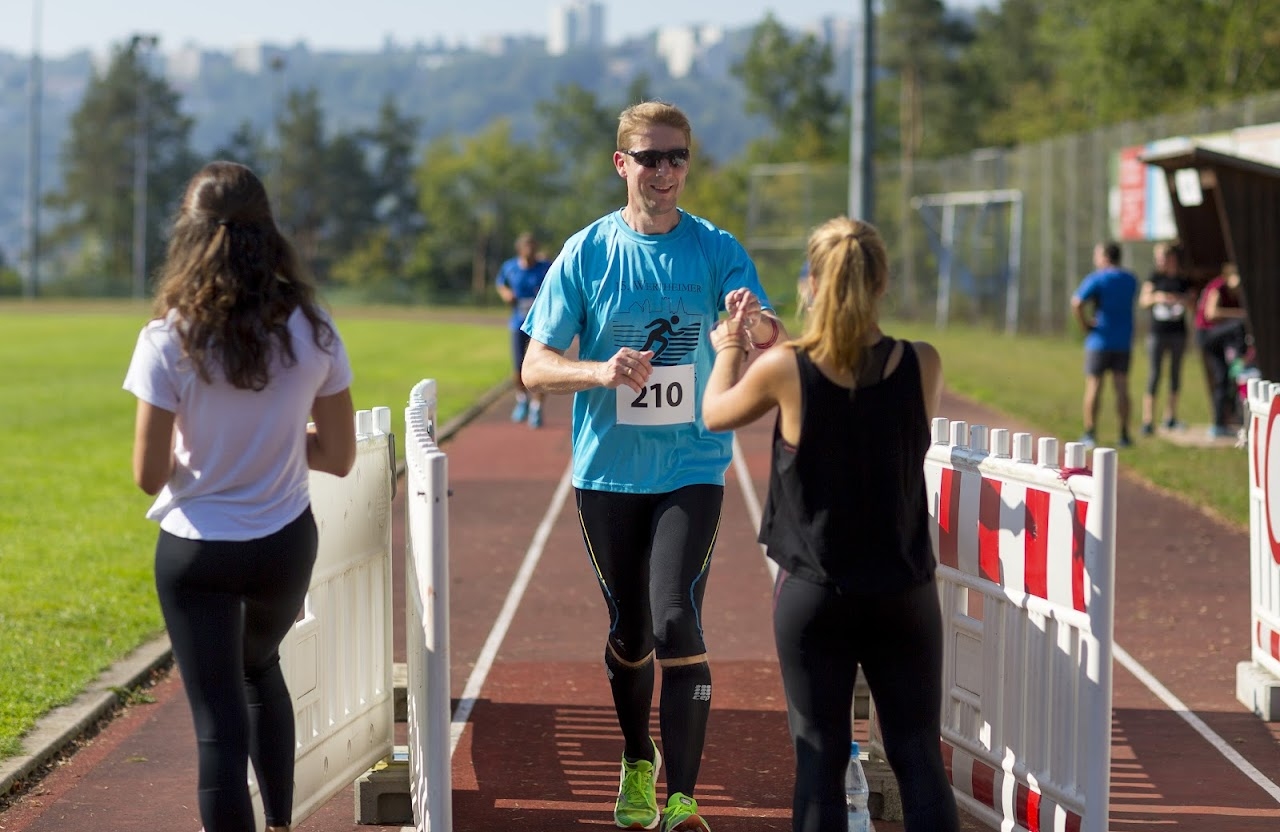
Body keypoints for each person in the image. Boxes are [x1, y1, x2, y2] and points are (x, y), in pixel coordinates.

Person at [520, 100, 785, 832]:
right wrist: (600, 371)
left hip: (692, 466)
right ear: (621, 164)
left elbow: (771, 335)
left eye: (676, 158)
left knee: (675, 618)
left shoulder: (716, 249)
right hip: (606, 473)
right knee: (630, 630)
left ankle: (683, 801)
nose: (664, 172)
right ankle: (639, 758)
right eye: (649, 157)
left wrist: (752, 321)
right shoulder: (587, 252)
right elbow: (535, 369)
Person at [700, 215, 958, 832]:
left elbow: (714, 414)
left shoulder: (787, 367)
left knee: (818, 758)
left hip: (817, 591)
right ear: (882, 284)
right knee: (918, 754)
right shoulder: (920, 362)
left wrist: (732, 347)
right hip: (903, 589)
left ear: (811, 283)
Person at [123, 161, 356, 832]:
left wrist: (208, 455)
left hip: (198, 555)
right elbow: (338, 456)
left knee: (216, 727)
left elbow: (146, 471)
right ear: (268, 232)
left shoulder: (167, 338)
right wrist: (279, 442)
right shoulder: (314, 329)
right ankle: (282, 825)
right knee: (261, 669)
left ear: (189, 235)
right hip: (283, 547)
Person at [1071, 241, 1138, 449]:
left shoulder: (1097, 278)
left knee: (1094, 386)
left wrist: (1084, 325)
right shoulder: (1130, 279)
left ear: (1105, 257)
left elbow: (1077, 302)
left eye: (1097, 254)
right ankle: (1124, 434)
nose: (1095, 258)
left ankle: (1090, 433)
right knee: (1121, 387)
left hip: (1099, 340)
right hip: (1123, 341)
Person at [495, 231, 552, 428]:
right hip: (518, 324)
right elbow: (500, 282)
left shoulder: (545, 267)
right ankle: (522, 399)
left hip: (540, 326)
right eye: (527, 247)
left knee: (540, 366)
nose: (530, 251)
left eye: (533, 247)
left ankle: (537, 407)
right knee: (518, 368)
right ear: (519, 250)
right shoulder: (510, 268)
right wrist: (506, 293)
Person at [1139, 241, 1192, 435]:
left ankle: (1170, 417)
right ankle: (1148, 420)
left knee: (1175, 375)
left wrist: (1183, 301)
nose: (1159, 261)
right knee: (1154, 374)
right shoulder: (1154, 278)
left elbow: (1193, 303)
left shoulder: (1183, 280)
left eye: (1162, 257)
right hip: (1157, 332)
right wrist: (1157, 298)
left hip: (1178, 332)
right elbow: (1143, 301)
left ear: (1172, 258)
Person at [1194, 262, 1248, 438]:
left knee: (1222, 379)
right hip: (1207, 335)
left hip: (1218, 339)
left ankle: (1219, 424)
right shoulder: (1219, 286)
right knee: (1239, 324)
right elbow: (1211, 313)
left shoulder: (1235, 292)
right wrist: (1239, 313)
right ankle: (1241, 358)